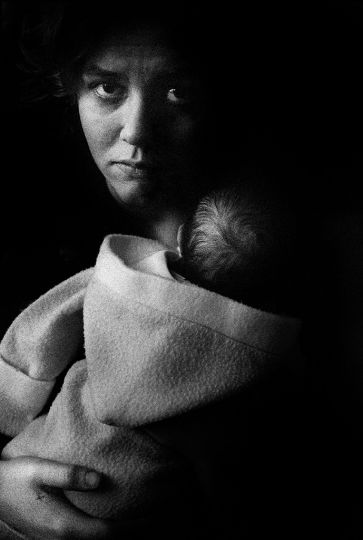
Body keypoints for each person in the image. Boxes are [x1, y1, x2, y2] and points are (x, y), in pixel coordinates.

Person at [0, 177, 303, 539]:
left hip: (37, 454)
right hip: (117, 505)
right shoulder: (245, 374)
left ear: (178, 239)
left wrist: (11, 401)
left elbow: (44, 325)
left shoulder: (119, 277)